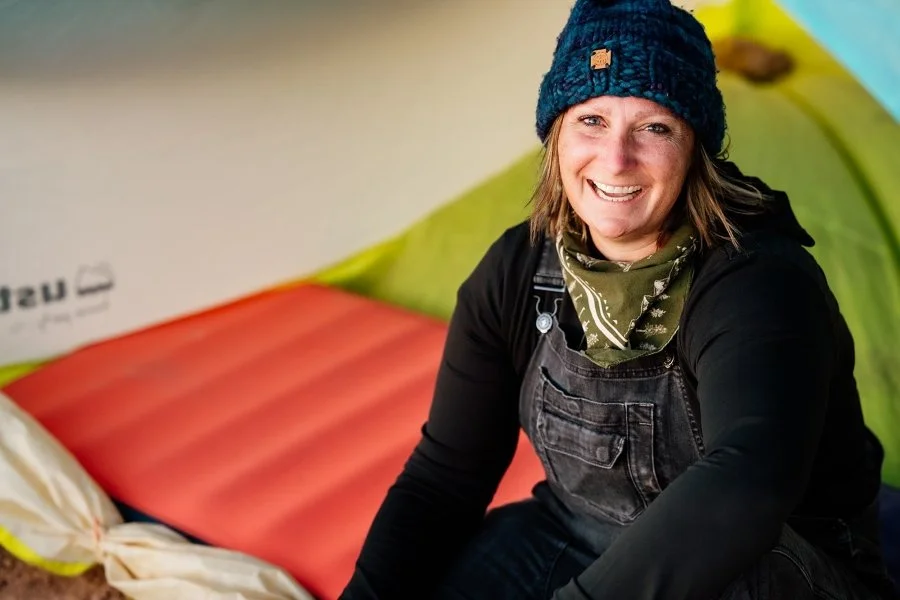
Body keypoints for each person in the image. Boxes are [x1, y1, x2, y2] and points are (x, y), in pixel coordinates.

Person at [339, 0, 899, 598]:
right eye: (592, 120)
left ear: (695, 148)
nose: (615, 159)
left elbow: (747, 482)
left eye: (654, 128)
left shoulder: (758, 280)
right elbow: (444, 478)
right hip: (575, 534)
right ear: (556, 135)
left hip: (770, 562)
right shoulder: (518, 270)